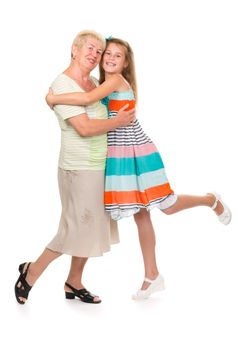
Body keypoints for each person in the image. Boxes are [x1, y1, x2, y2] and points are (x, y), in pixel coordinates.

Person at [46, 37, 232, 300]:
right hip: (120, 156)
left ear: (125, 63)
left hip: (136, 152)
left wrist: (52, 97)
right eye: (106, 53)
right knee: (141, 214)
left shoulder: (115, 82)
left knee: (166, 206)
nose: (109, 58)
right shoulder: (102, 83)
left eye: (116, 55)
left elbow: (87, 98)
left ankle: (210, 200)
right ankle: (152, 275)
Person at [14, 31, 136, 305]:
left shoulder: (92, 82)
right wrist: (118, 122)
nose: (95, 55)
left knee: (89, 228)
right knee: (72, 229)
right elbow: (84, 128)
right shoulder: (61, 84)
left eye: (99, 51)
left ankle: (74, 282)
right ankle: (30, 273)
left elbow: (101, 104)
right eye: (90, 49)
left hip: (98, 167)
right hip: (77, 169)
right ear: (74, 50)